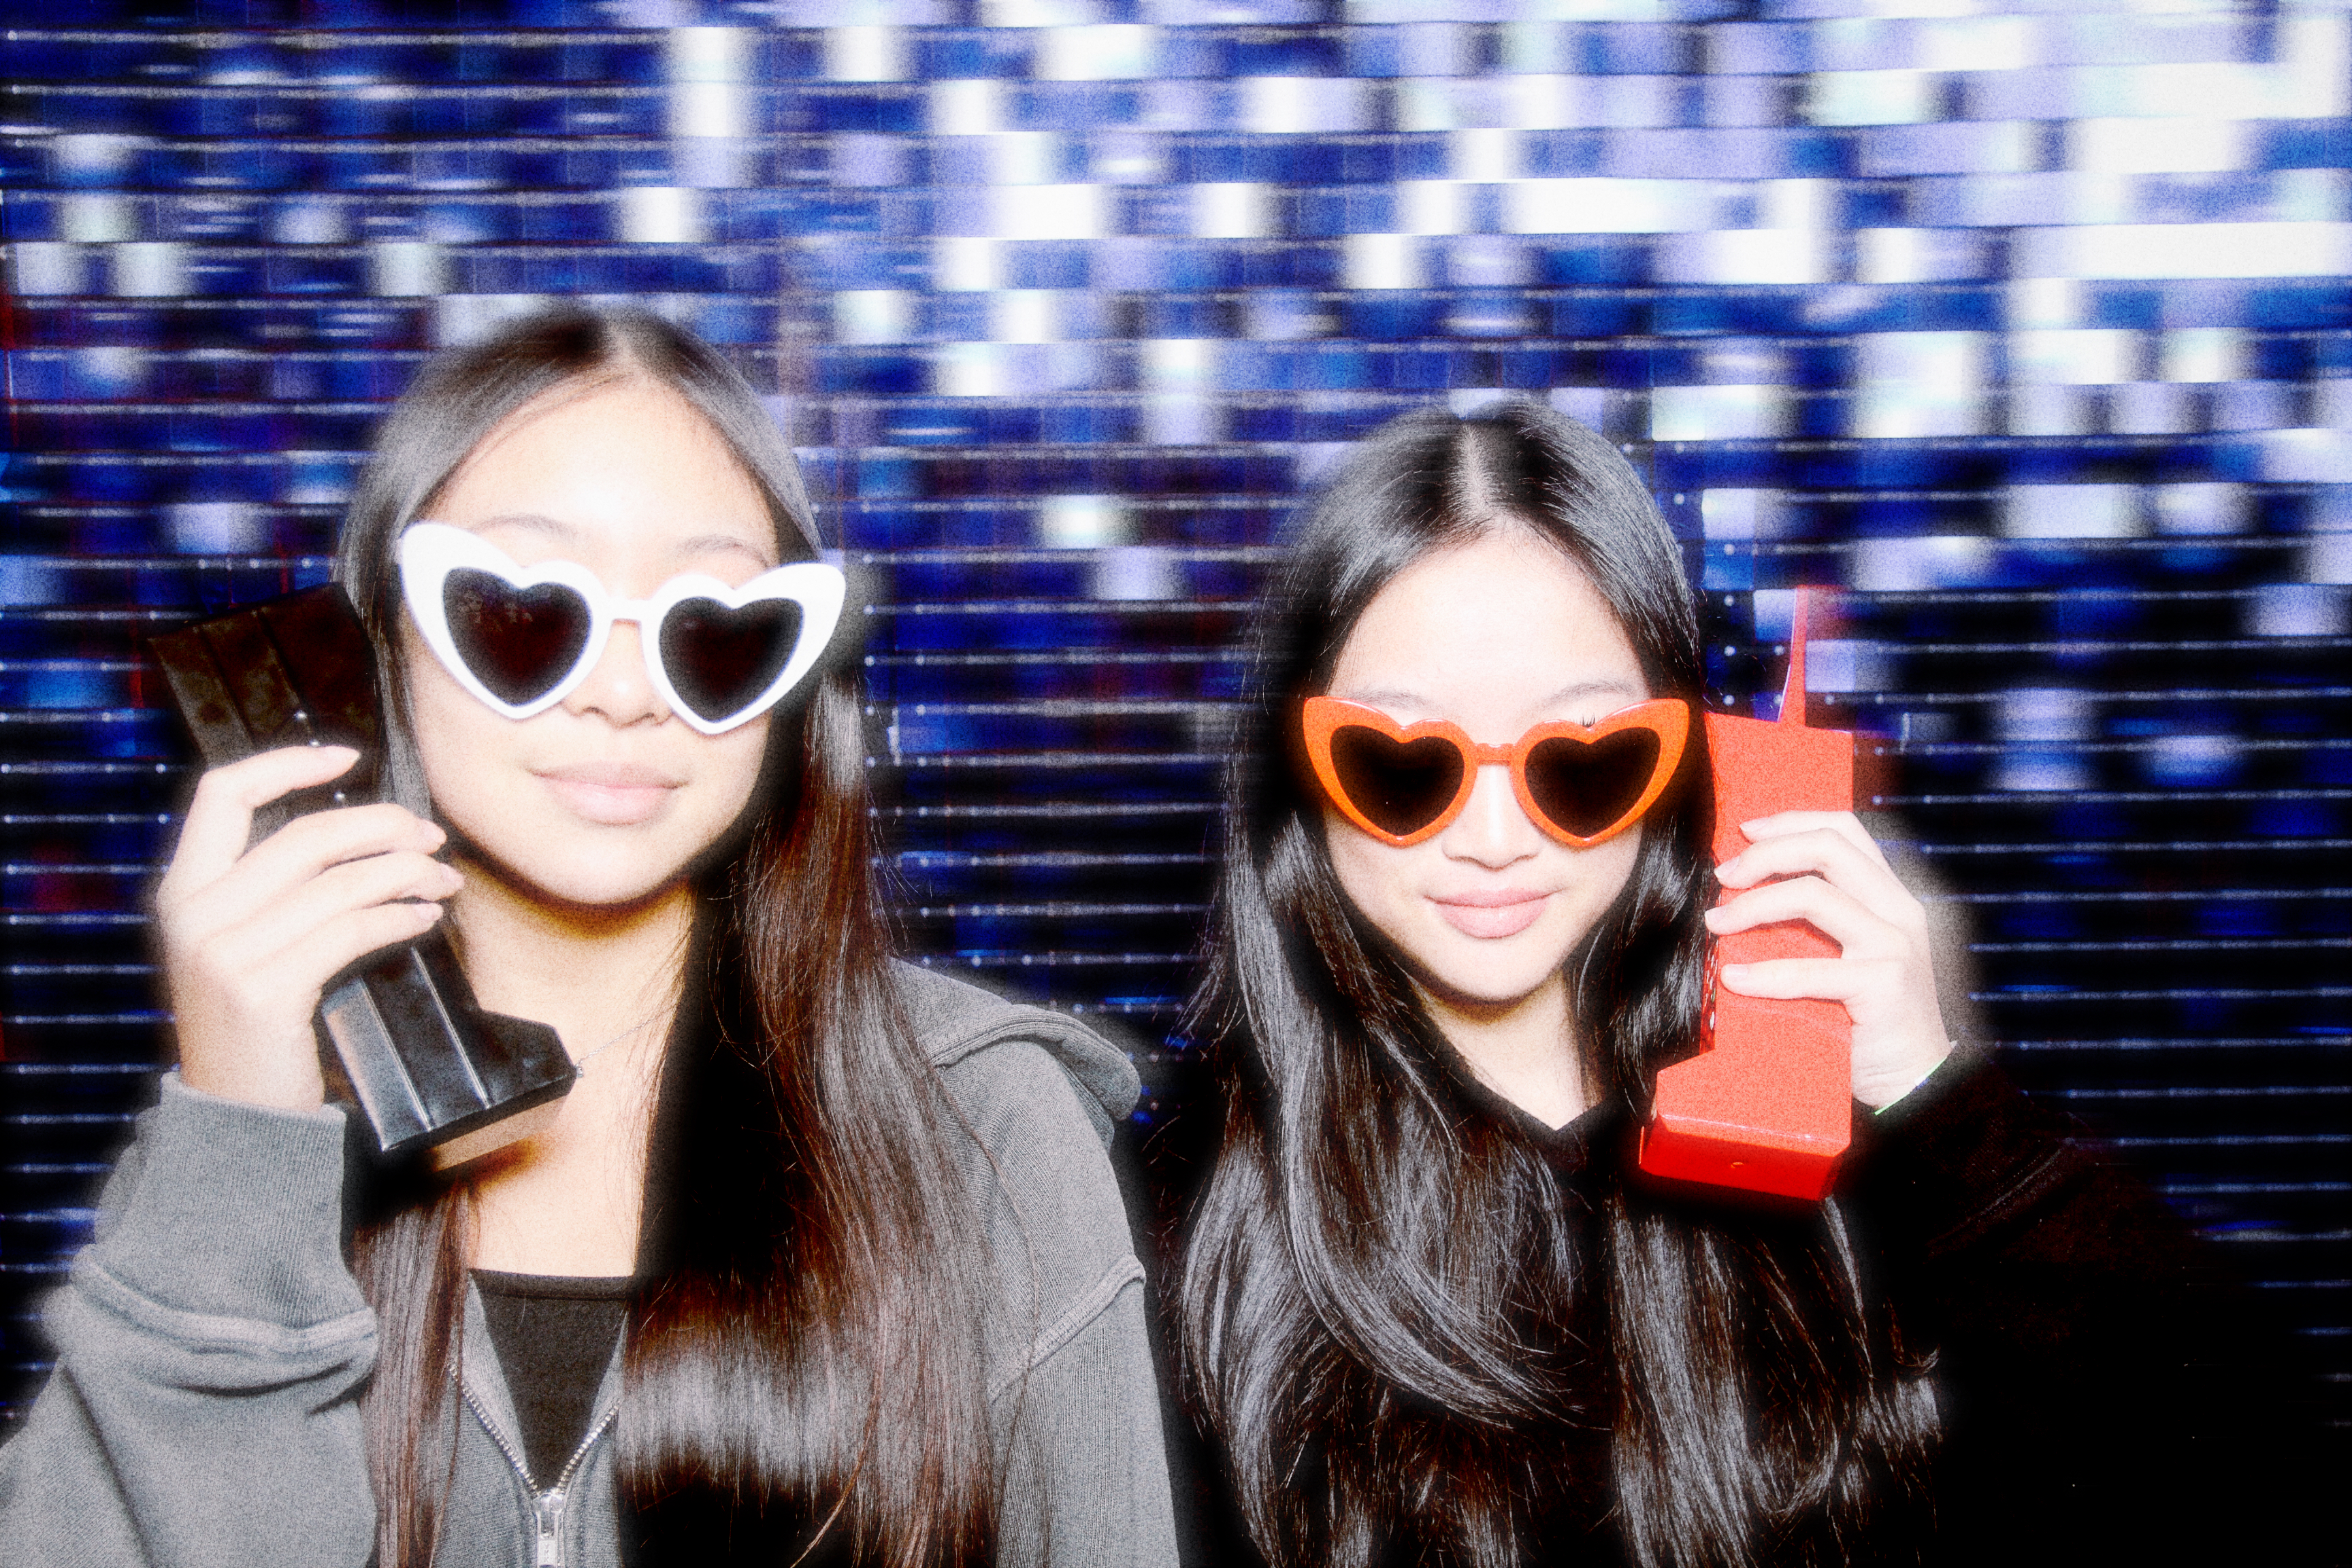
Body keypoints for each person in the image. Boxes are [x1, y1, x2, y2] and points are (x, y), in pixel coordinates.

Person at [0, 306, 1179, 1567]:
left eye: (717, 633)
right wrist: (241, 1139)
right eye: (521, 612)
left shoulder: (984, 1126)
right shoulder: (237, 1134)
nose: (622, 695)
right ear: (383, 634)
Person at [1172, 402, 2310, 1567]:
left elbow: (2241, 1466)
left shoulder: (1856, 1188)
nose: (1495, 836)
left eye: (1585, 758)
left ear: (1682, 763)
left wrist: (1940, 1103)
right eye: (1400, 762)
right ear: (1298, 771)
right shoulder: (1171, 1214)